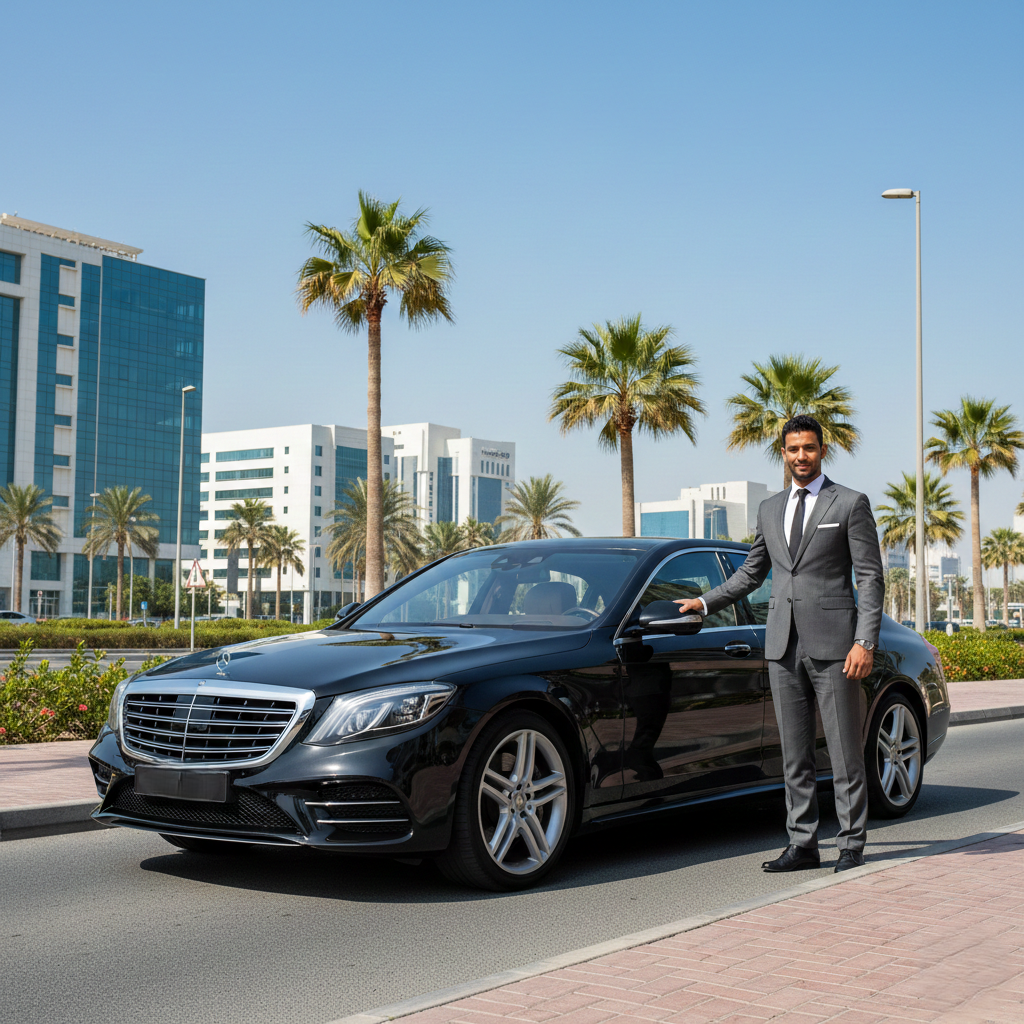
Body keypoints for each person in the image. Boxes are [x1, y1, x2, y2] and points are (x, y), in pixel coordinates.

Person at [675, 414, 884, 873]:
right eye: (793, 449)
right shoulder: (770, 508)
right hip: (782, 645)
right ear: (783, 453)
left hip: (835, 645)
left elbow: (869, 578)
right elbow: (752, 572)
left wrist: (864, 641)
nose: (801, 457)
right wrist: (705, 602)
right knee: (794, 753)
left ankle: (851, 843)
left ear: (821, 451)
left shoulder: (849, 503)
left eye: (809, 448)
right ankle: (803, 843)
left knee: (845, 750)